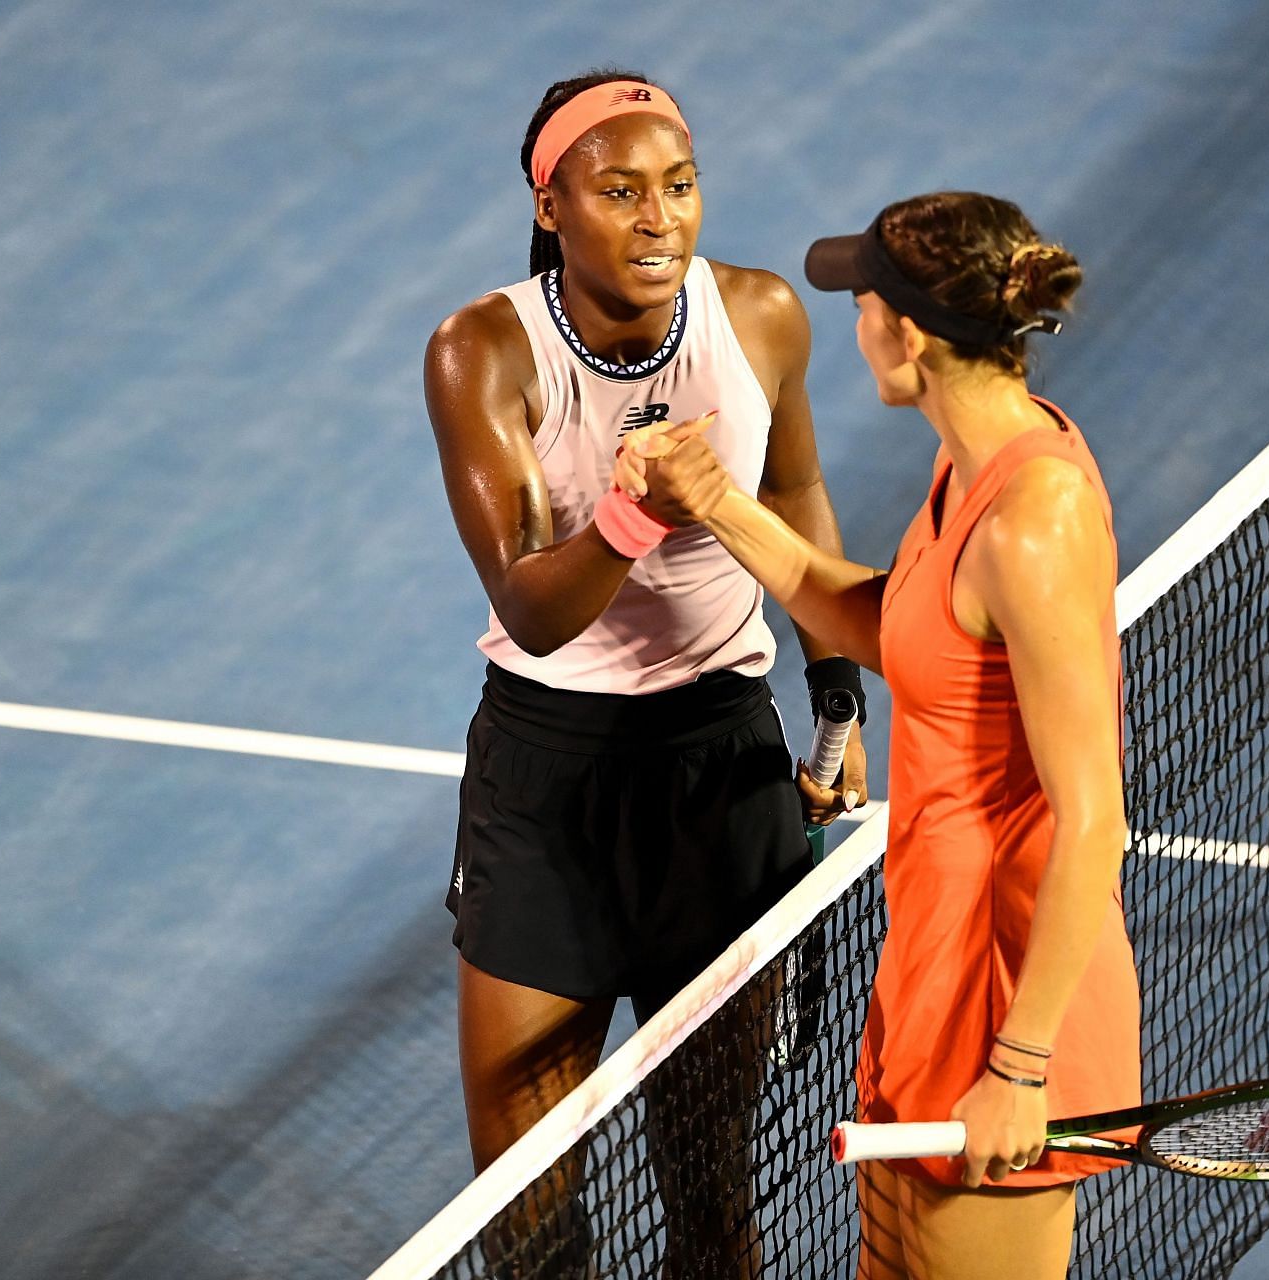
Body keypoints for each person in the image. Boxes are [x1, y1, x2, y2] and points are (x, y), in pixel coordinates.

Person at [618, 191, 1140, 1279]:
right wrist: (711, 495)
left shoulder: (1033, 520)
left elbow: (1094, 820)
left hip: (1006, 989)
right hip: (931, 960)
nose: (851, 323)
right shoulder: (965, 468)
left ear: (905, 333)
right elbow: (885, 616)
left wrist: (1024, 1064)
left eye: (860, 302)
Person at [422, 69, 868, 1274]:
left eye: (680, 186)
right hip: (545, 785)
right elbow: (531, 605)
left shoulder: (765, 315)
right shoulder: (482, 353)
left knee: (716, 1200)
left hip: (722, 778)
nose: (660, 217)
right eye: (620, 191)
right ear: (552, 204)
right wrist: (633, 513)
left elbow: (794, 496)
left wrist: (834, 692)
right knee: (526, 1216)